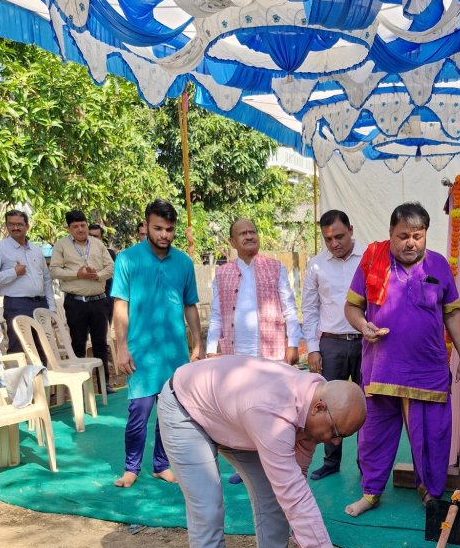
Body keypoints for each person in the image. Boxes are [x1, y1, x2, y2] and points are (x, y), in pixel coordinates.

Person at [157, 356, 366, 548]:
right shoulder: (273, 413)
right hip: (186, 410)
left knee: (273, 496)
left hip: (233, 417)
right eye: (336, 433)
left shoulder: (310, 404)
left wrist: (305, 538)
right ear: (320, 408)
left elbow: (297, 478)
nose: (333, 443)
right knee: (208, 509)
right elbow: (294, 494)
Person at [343, 202, 460, 516]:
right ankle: (371, 492)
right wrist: (364, 326)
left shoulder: (439, 266)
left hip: (426, 371)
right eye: (403, 235)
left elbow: (453, 313)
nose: (410, 242)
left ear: (426, 235)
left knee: (432, 436)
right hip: (381, 368)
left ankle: (431, 493)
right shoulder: (372, 261)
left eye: (417, 235)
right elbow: (351, 308)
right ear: (390, 233)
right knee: (374, 434)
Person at [111, 199, 202, 488]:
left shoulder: (184, 263)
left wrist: (197, 344)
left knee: (170, 412)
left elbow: (190, 306)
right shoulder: (127, 259)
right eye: (158, 228)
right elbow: (120, 306)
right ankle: (131, 468)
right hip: (141, 352)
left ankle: (161, 465)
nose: (164, 234)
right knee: (139, 412)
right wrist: (121, 347)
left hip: (174, 353)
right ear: (146, 226)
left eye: (170, 229)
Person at [302, 209, 364, 481]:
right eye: (328, 239)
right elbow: (310, 308)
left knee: (369, 404)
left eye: (339, 236)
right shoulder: (316, 265)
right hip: (331, 344)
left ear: (351, 229)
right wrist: (313, 348)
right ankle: (330, 462)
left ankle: (368, 464)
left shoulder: (368, 259)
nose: (334, 243)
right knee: (327, 405)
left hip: (366, 343)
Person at [206, 218, 301, 364]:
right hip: (234, 356)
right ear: (232, 242)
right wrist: (211, 349)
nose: (249, 236)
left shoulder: (276, 268)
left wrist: (293, 344)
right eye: (243, 233)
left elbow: (289, 309)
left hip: (272, 355)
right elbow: (216, 315)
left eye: (253, 232)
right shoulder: (222, 273)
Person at [50, 210, 115, 391]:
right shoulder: (61, 245)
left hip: (99, 301)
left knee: (100, 344)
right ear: (69, 228)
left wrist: (97, 275)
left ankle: (104, 385)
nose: (80, 229)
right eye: (75, 226)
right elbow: (54, 270)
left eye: (83, 225)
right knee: (78, 343)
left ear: (87, 225)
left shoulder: (97, 244)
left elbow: (110, 267)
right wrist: (76, 274)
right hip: (75, 302)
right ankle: (80, 387)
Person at [0, 210, 56, 355]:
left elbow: (46, 280)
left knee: (43, 348)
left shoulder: (36, 249)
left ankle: (42, 377)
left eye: (19, 224)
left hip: (41, 304)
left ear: (27, 226)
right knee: (18, 347)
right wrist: (14, 272)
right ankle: (17, 378)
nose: (15, 228)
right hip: (17, 305)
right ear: (6, 226)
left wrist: (52, 308)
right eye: (11, 224)